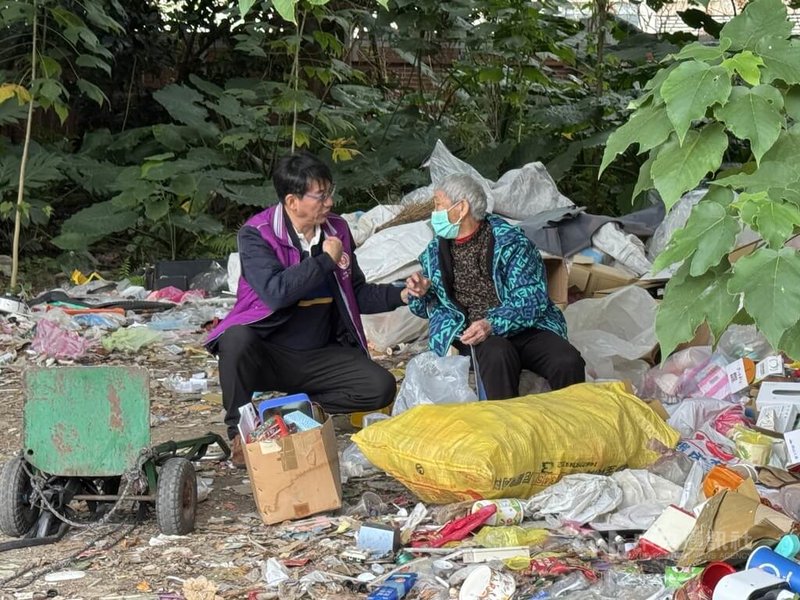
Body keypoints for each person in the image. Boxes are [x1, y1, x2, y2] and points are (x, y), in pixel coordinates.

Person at [206, 151, 414, 465]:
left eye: (330, 192)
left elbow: (354, 292)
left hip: (319, 354)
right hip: (269, 352)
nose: (329, 202)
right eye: (321, 195)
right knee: (234, 340)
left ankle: (294, 411)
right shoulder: (257, 234)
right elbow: (276, 293)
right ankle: (239, 433)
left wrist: (402, 295)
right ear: (293, 201)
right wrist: (324, 261)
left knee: (380, 387)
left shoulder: (337, 230)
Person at [406, 173, 585, 399]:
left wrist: (492, 323)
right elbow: (423, 309)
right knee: (497, 354)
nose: (434, 212)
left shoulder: (511, 242)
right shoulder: (434, 253)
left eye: (438, 204)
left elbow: (532, 299)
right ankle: (504, 431)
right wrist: (420, 293)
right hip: (471, 333)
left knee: (567, 360)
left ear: (461, 208)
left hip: (524, 328)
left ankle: (573, 426)